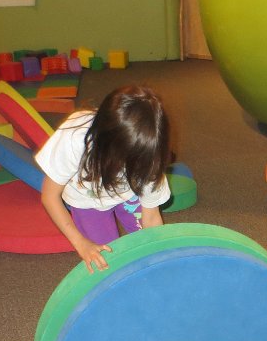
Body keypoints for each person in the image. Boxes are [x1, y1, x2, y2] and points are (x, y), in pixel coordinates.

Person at [36, 85, 172, 273]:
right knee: (107, 263)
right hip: (88, 202)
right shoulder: (75, 138)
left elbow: (151, 217)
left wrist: (159, 255)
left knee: (150, 247)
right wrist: (81, 243)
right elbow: (50, 197)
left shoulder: (150, 158)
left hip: (130, 194)